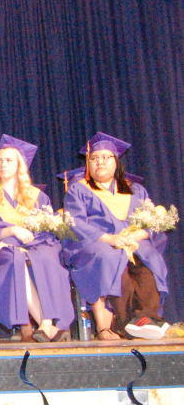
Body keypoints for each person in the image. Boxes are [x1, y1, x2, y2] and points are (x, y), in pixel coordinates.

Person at [63, 132, 171, 340]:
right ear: (88, 164)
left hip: (132, 241)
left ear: (116, 161)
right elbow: (75, 222)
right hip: (96, 243)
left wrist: (141, 233)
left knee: (149, 258)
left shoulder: (135, 190)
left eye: (106, 157)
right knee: (111, 257)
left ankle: (147, 318)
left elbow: (150, 220)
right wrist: (110, 239)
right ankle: (125, 322)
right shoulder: (79, 190)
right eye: (94, 158)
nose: (100, 162)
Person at [0, 135, 74, 342]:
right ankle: (47, 325)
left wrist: (28, 241)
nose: (3, 164)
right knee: (15, 259)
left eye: (9, 160)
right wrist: (11, 232)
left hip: (37, 244)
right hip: (3, 249)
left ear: (20, 165)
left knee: (46, 256)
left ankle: (47, 324)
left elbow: (47, 230)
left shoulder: (37, 196)